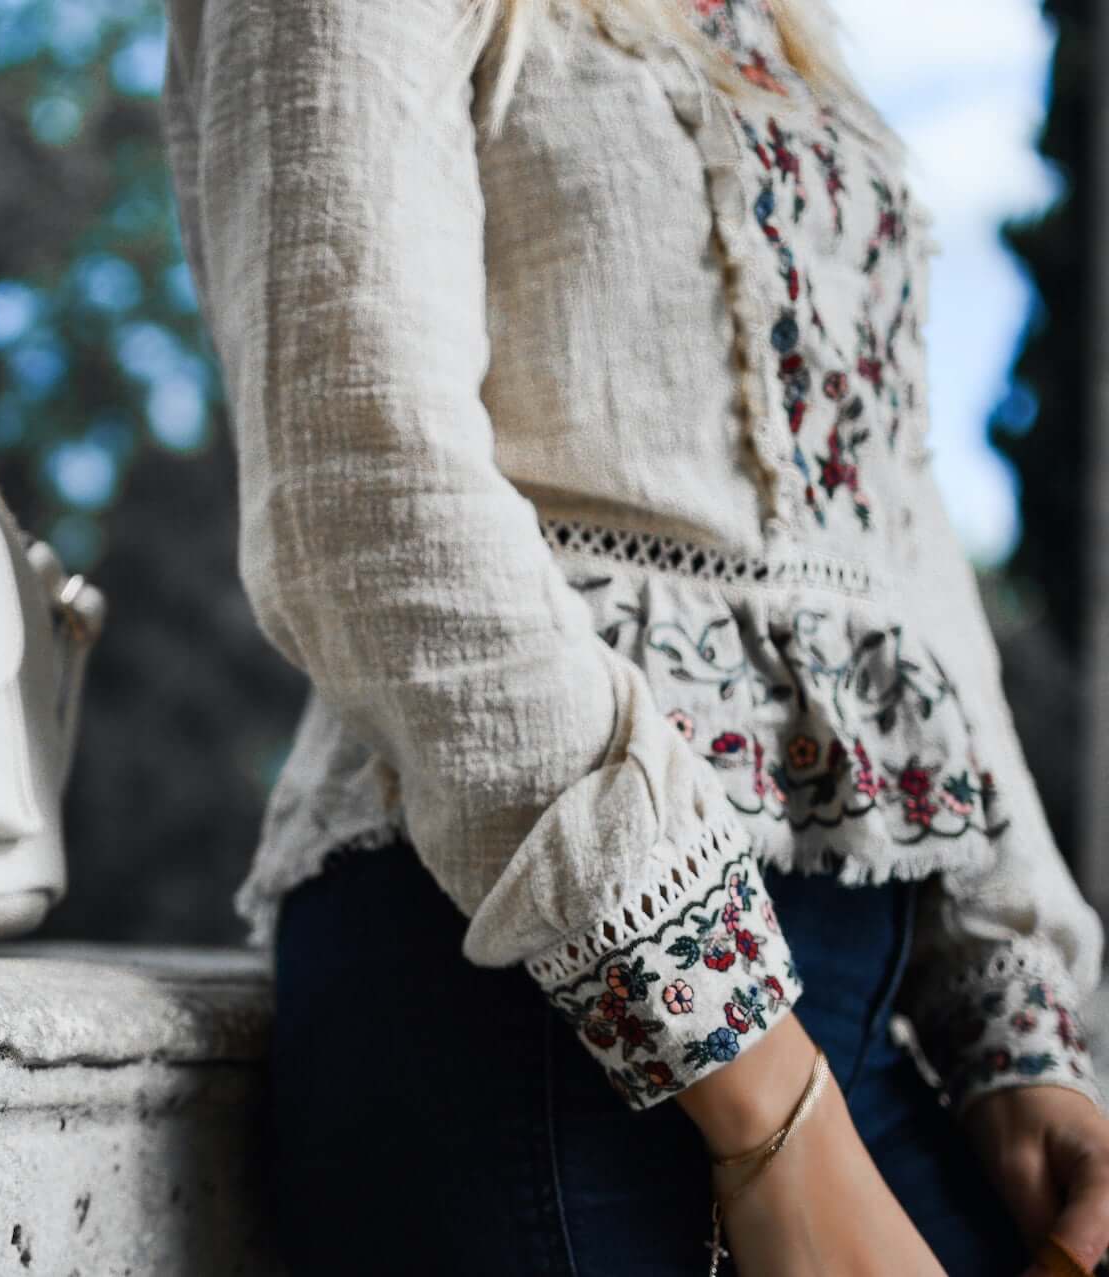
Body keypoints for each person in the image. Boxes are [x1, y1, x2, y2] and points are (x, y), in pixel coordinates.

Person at [159, 0, 1109, 1271]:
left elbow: (891, 534)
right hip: (541, 1010)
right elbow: (362, 477)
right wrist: (770, 1108)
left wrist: (1012, 1030)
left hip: (854, 1032)